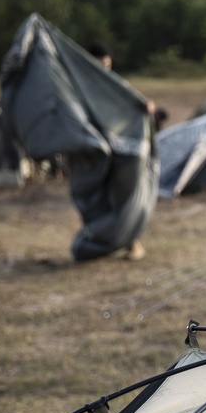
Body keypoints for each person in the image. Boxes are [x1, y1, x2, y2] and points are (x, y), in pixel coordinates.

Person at [85, 42, 152, 262]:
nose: (104, 68)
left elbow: (135, 101)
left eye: (107, 63)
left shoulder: (114, 85)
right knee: (96, 200)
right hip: (92, 150)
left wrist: (146, 106)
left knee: (123, 197)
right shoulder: (81, 85)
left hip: (118, 150)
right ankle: (103, 242)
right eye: (99, 63)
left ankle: (133, 242)